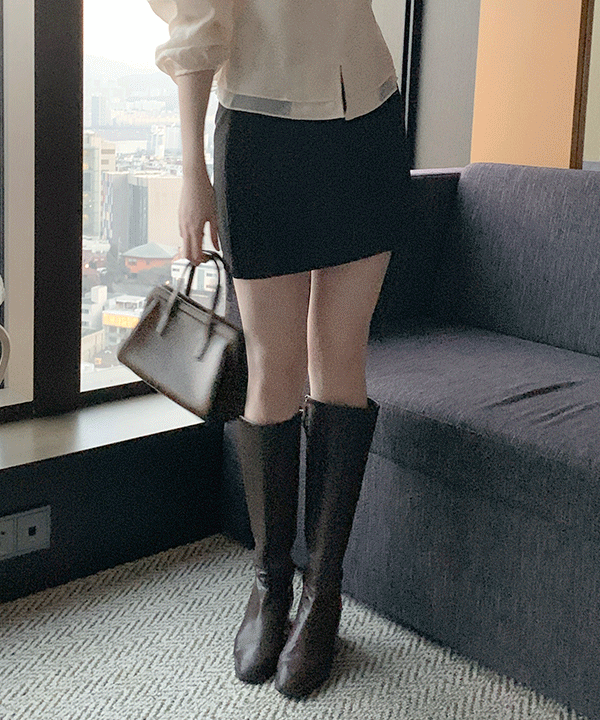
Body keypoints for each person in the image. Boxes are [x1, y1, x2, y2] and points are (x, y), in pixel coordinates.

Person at [148, 0, 411, 698]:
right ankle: (271, 584)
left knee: (341, 358)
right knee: (273, 367)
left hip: (369, 118)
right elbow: (194, 24)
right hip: (261, 128)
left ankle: (324, 595)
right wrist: (193, 170)